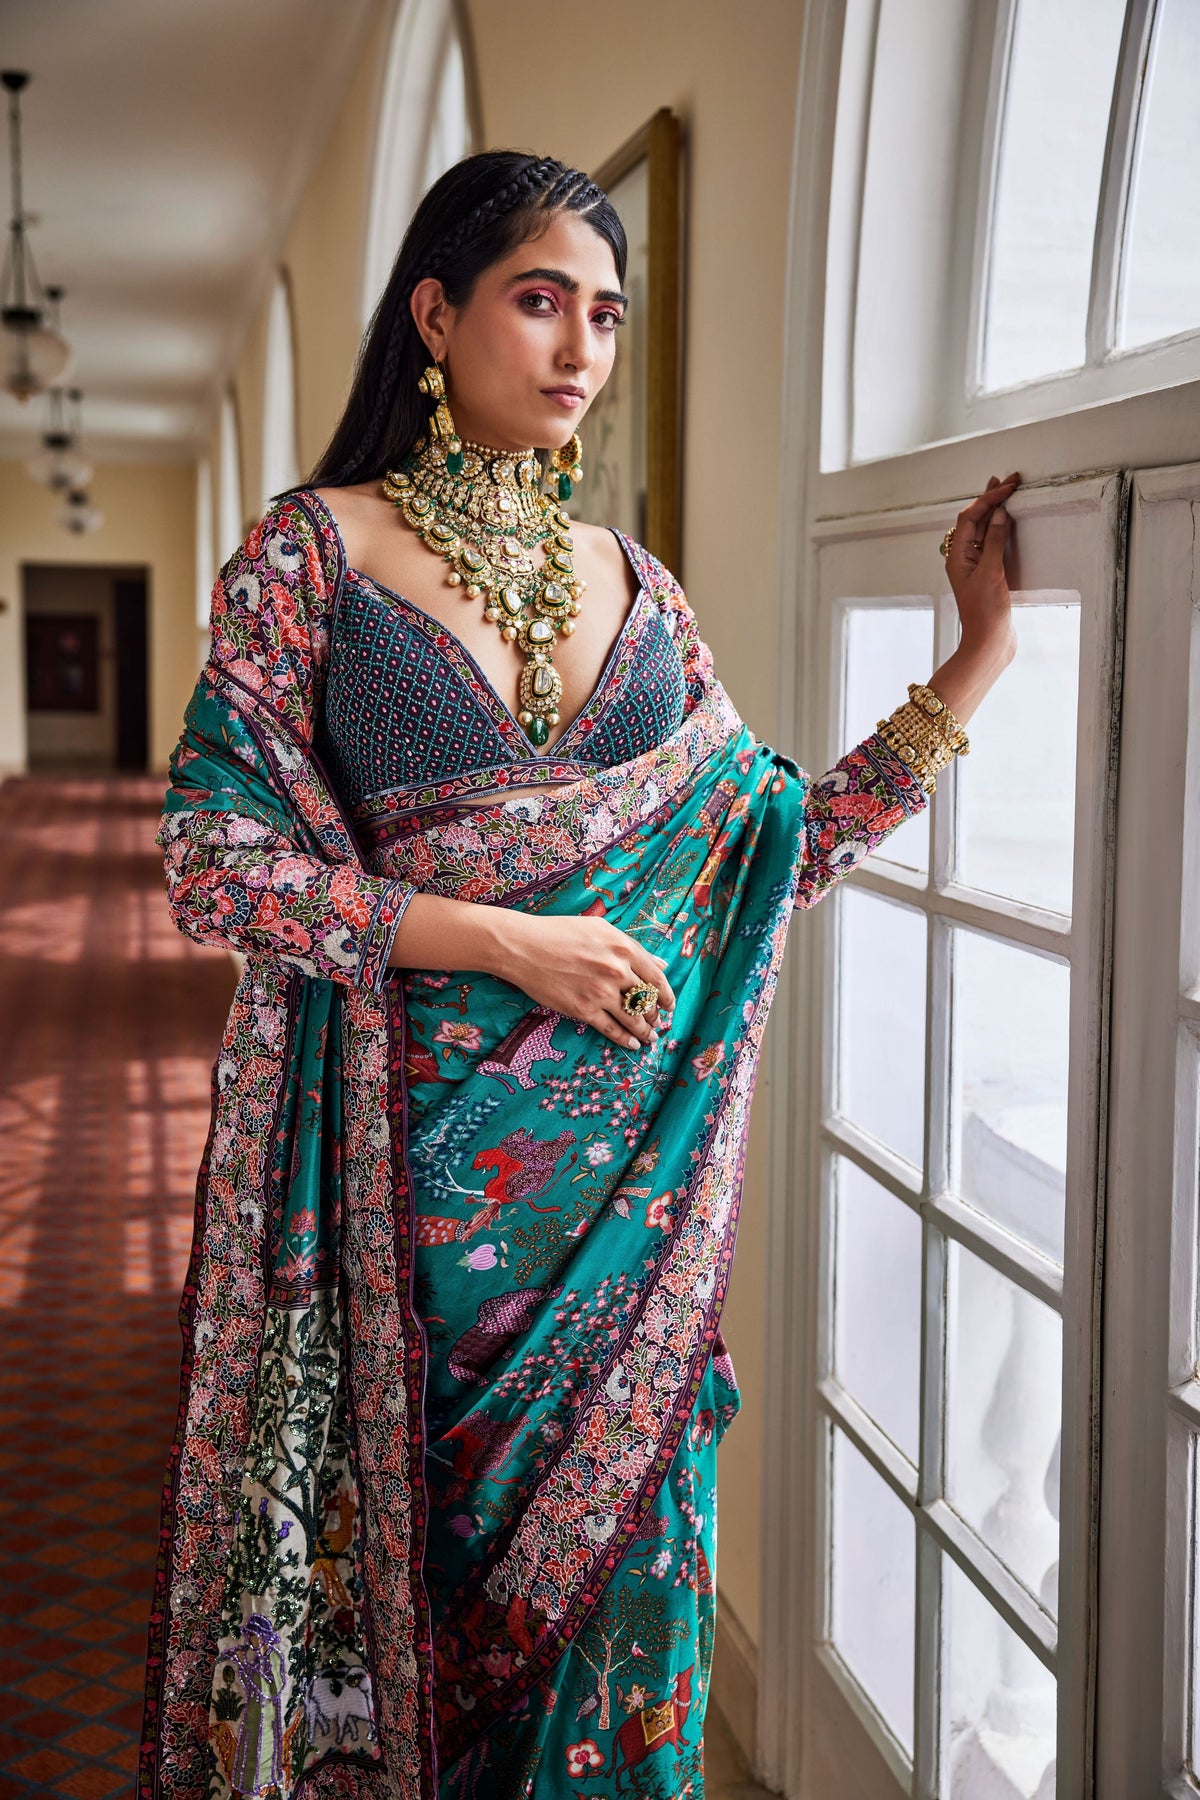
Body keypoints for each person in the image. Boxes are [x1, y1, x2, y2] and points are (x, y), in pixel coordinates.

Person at [135, 151, 1017, 1800]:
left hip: (629, 1241)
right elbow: (215, 856)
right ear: (434, 314)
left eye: (604, 316)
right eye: (540, 301)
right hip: (403, 1216)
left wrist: (973, 664)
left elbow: (775, 854)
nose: (579, 349)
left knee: (613, 1647)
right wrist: (496, 938)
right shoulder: (314, 559)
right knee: (414, 1630)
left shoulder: (644, 591)